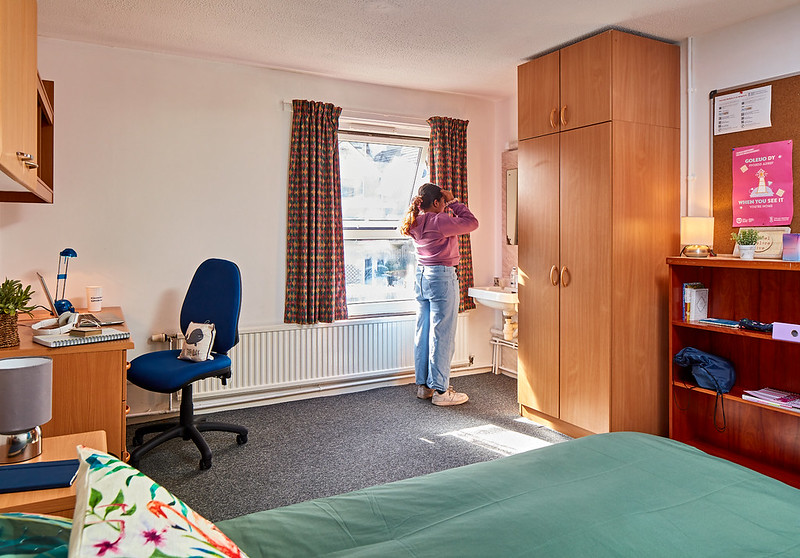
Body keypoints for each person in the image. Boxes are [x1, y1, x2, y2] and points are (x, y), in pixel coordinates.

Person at [400, 183, 479, 406]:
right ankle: (442, 392)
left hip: (422, 277)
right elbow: (472, 223)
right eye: (443, 202)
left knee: (423, 333)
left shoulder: (415, 221)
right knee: (442, 335)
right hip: (442, 277)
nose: (446, 206)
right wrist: (454, 202)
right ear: (436, 203)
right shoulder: (439, 220)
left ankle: (424, 387)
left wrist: (447, 202)